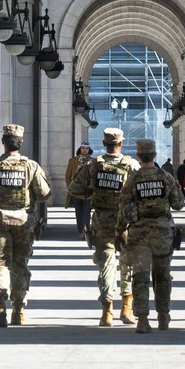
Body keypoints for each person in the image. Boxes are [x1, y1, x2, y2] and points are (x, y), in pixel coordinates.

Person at [0, 123, 51, 327]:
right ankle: (19, 311)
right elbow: (44, 193)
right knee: (20, 265)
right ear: (20, 142)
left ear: (3, 142)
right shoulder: (30, 166)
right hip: (23, 223)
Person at [67, 126, 136, 326]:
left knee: (106, 263)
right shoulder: (131, 165)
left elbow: (74, 188)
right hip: (126, 222)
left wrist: (91, 193)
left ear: (104, 144)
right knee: (128, 264)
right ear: (121, 144)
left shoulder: (93, 166)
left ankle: (107, 312)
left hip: (102, 220)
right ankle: (127, 308)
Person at [117, 139, 184, 333]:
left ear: (138, 156)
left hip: (139, 235)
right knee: (162, 276)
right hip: (162, 234)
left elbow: (124, 209)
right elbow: (179, 204)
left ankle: (143, 320)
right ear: (154, 155)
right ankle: (163, 317)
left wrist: (120, 231)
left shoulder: (132, 179)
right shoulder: (166, 177)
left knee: (140, 276)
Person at [65, 142, 93, 238]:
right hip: (76, 191)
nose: (85, 150)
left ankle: (86, 230)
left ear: (89, 150)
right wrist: (70, 188)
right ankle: (80, 230)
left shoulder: (93, 161)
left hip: (88, 191)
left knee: (87, 210)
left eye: (87, 148)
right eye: (83, 148)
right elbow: (68, 176)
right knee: (78, 211)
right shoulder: (73, 161)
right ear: (80, 149)